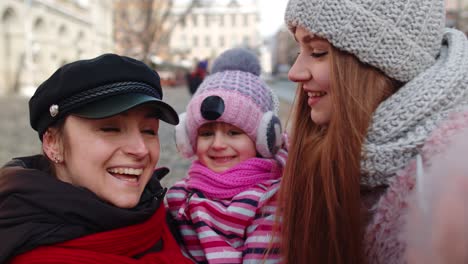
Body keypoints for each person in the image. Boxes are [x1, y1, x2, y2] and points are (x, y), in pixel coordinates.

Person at [278, 0, 468, 263]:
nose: (294, 72)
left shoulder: (454, 192)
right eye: (300, 50)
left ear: (388, 65)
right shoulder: (316, 157)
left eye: (319, 52)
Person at [0, 54, 194, 264]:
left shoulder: (172, 222)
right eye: (110, 129)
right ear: (53, 142)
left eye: (149, 131)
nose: (140, 149)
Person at [166, 48, 285, 263]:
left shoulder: (268, 200)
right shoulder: (180, 196)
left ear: (264, 138)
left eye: (234, 133)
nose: (218, 144)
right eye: (207, 133)